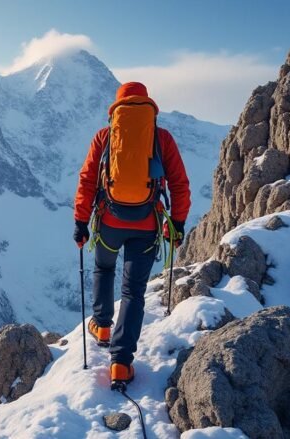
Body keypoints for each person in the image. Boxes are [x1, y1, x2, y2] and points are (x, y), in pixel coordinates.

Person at [72, 82, 190, 387]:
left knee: (104, 268)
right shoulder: (162, 138)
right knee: (133, 292)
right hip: (147, 224)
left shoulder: (105, 136)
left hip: (109, 222)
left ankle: (102, 326)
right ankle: (121, 364)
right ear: (149, 109)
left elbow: (87, 181)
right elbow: (179, 184)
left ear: (117, 111)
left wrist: (81, 222)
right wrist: (176, 223)